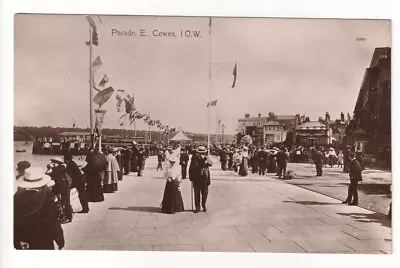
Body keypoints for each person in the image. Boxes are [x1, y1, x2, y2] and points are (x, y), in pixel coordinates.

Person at [14, 167, 65, 250]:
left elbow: (14, 223)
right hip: (44, 240)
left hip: (25, 242)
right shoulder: (47, 198)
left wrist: (17, 240)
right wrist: (59, 237)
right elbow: (53, 220)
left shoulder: (16, 199)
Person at [46, 157, 72, 223]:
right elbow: (47, 176)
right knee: (59, 201)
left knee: (66, 202)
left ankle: (69, 217)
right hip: (58, 187)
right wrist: (48, 169)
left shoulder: (61, 168)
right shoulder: (57, 169)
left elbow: (55, 174)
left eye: (53, 162)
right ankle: (62, 214)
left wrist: (52, 168)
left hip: (64, 187)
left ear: (57, 163)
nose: (52, 163)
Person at [189, 146, 212, 213]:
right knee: (196, 194)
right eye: (200, 153)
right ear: (198, 152)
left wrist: (207, 159)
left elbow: (211, 163)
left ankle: (203, 204)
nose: (201, 154)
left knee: (205, 193)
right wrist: (191, 178)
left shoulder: (207, 158)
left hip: (205, 179)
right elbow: (191, 169)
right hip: (196, 178)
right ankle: (197, 207)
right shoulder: (194, 159)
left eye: (203, 153)